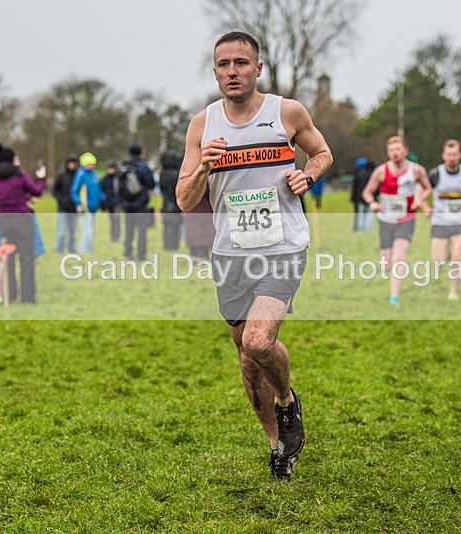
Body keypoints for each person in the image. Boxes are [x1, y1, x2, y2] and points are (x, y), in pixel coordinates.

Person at [176, 31, 332, 481]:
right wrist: (204, 166)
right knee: (246, 357)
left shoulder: (286, 112)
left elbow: (322, 153)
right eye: (224, 64)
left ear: (258, 68)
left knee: (258, 341)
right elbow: (185, 200)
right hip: (230, 252)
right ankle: (279, 445)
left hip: (283, 246)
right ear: (215, 71)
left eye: (241, 63)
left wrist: (308, 176)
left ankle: (286, 400)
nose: (233, 71)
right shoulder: (202, 125)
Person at [362, 136, 431, 305]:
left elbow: (427, 188)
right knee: (386, 263)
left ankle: (394, 297)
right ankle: (391, 276)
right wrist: (372, 203)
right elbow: (367, 192)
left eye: (398, 149)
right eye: (391, 150)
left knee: (399, 257)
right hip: (386, 220)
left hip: (406, 219)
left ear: (405, 151)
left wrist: (419, 200)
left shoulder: (416, 170)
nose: (395, 153)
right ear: (388, 153)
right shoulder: (381, 171)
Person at [0, 143, 47, 304]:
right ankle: (28, 297)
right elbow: (37, 191)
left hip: (4, 221)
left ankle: (11, 294)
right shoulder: (20, 177)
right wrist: (42, 178)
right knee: (27, 259)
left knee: (8, 258)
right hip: (22, 220)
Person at [430, 139, 461, 300]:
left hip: (460, 222)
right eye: (449, 154)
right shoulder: (435, 174)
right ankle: (445, 255)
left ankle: (453, 292)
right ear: (443, 156)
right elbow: (423, 190)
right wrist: (424, 205)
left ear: (459, 155)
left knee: (458, 257)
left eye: (454, 154)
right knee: (438, 261)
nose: (452, 158)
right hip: (440, 222)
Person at [120, 144, 155, 261]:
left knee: (129, 230)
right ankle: (141, 255)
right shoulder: (143, 166)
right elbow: (151, 184)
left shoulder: (124, 166)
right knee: (142, 231)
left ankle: (128, 254)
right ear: (140, 152)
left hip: (127, 204)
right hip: (141, 204)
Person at [70, 152, 103, 254]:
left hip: (93, 207)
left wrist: (102, 199)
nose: (92, 166)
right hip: (85, 208)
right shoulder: (80, 175)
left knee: (92, 231)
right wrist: (80, 203)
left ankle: (88, 250)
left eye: (93, 164)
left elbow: (97, 189)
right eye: (90, 164)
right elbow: (74, 191)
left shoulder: (93, 175)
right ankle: (83, 252)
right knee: (87, 231)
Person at [53, 155, 79, 253]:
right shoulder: (61, 176)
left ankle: (72, 249)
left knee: (73, 231)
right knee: (61, 231)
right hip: (63, 208)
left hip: (74, 208)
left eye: (73, 163)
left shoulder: (78, 176)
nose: (72, 165)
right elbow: (55, 191)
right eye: (70, 163)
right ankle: (59, 249)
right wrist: (62, 200)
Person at [158, 154, 183, 251]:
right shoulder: (176, 174)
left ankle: (167, 245)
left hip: (166, 202)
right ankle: (174, 245)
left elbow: (161, 189)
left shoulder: (163, 174)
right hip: (175, 202)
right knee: (175, 225)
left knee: (166, 225)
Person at [98, 162, 122, 242]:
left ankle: (117, 236)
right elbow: (101, 191)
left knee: (117, 219)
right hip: (109, 203)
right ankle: (113, 237)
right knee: (112, 220)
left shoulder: (117, 179)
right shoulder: (104, 180)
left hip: (117, 203)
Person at [351, 158, 375, 232]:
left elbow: (355, 188)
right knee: (368, 215)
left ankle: (359, 230)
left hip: (359, 199)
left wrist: (353, 198)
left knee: (360, 215)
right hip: (370, 198)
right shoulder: (373, 175)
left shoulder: (359, 175)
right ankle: (368, 230)